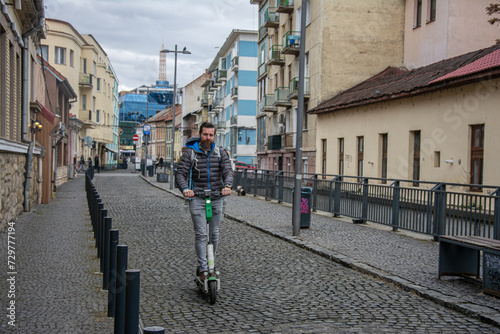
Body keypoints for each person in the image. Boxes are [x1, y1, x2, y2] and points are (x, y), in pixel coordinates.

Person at [175, 122, 233, 282]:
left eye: (211, 135)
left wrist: (227, 186)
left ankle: (211, 265)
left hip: (216, 196)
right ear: (200, 135)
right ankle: (203, 268)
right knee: (201, 234)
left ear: (214, 136)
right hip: (197, 198)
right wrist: (186, 189)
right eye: (205, 134)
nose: (208, 138)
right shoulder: (190, 153)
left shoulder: (220, 153)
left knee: (214, 233)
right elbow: (180, 174)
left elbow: (228, 171)